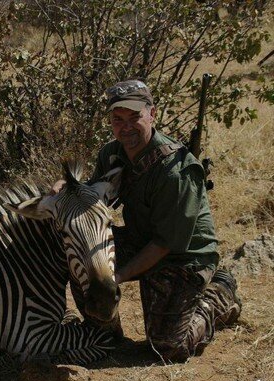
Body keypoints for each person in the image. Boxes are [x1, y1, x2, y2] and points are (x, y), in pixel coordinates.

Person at [58, 80, 241, 362]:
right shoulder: (111, 153)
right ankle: (106, 332)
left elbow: (166, 243)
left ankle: (220, 292)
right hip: (141, 239)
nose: (126, 126)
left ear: (152, 114)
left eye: (135, 117)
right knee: (81, 254)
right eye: (118, 119)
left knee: (168, 347)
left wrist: (116, 276)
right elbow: (92, 199)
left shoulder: (175, 170)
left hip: (183, 256)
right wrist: (66, 187)